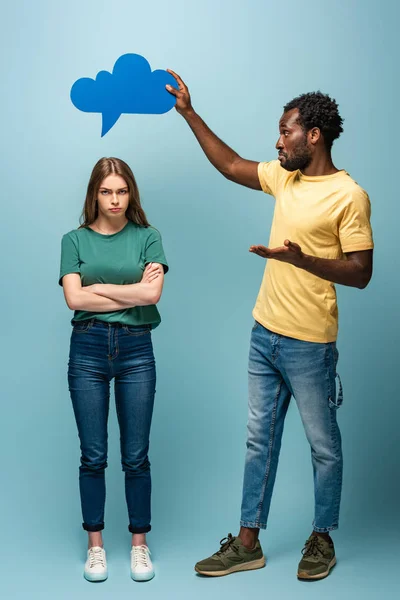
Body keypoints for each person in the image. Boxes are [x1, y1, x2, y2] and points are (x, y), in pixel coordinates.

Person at [166, 72, 373, 580]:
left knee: (323, 446)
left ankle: (321, 538)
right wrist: (190, 114)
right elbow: (232, 164)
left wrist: (304, 261)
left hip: (310, 345)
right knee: (260, 439)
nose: (278, 141)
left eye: (286, 132)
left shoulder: (349, 196)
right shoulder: (285, 177)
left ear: (314, 136)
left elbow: (362, 273)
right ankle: (247, 543)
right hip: (265, 334)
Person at [59, 157, 168, 582]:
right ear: (95, 195)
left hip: (137, 350)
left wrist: (97, 286)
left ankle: (139, 546)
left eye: (122, 191)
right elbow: (74, 301)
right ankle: (96, 547)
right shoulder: (74, 240)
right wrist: (131, 292)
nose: (115, 199)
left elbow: (153, 294)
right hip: (86, 348)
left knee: (136, 456)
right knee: (93, 455)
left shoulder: (148, 237)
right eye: (107, 191)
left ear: (131, 194)